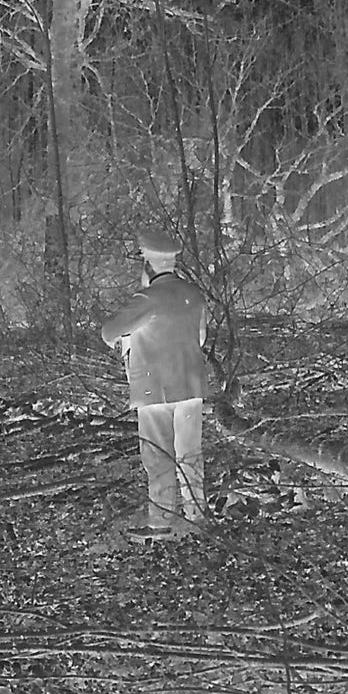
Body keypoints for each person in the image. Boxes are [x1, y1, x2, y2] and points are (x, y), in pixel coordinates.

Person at [100, 229, 209, 541]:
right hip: (191, 387)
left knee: (158, 454)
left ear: (148, 265)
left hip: (155, 389)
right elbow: (200, 338)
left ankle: (160, 522)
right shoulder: (194, 295)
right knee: (190, 453)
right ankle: (196, 517)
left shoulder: (148, 299)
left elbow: (109, 331)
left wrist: (127, 339)